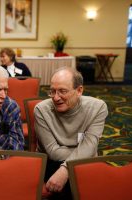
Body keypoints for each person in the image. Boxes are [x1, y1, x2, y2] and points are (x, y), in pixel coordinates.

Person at [34, 67, 108, 199]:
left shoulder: (97, 108)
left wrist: (65, 169)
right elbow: (52, 151)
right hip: (51, 162)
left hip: (84, 163)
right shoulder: (41, 110)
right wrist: (85, 151)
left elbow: (90, 145)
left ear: (79, 90)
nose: (56, 98)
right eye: (52, 91)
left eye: (62, 91)